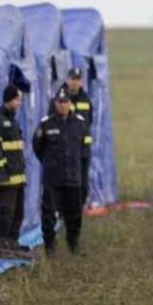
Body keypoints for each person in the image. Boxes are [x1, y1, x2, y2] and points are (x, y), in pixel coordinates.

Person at [33, 91, 85, 255]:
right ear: (55, 103)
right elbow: (37, 147)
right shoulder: (46, 124)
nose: (63, 105)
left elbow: (83, 147)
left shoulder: (79, 123)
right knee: (48, 213)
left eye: (65, 102)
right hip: (53, 178)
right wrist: (50, 164)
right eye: (60, 102)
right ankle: (50, 246)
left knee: (74, 212)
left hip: (73, 177)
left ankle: (73, 245)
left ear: (70, 103)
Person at [0, 85, 27, 251]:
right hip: (7, 179)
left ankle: (13, 242)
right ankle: (1, 243)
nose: (19, 103)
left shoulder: (13, 121)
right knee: (6, 212)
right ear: (8, 99)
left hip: (19, 178)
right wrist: (1, 175)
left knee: (18, 213)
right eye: (17, 99)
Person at [54, 67, 93, 206]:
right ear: (67, 80)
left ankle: (77, 209)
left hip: (83, 151)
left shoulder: (86, 99)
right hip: (67, 151)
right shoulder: (60, 98)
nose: (75, 83)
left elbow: (90, 121)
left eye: (78, 79)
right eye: (73, 79)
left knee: (83, 186)